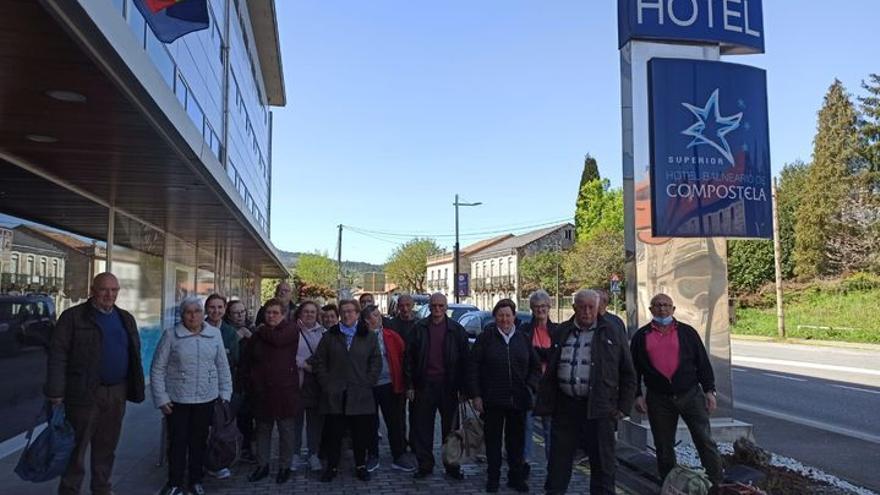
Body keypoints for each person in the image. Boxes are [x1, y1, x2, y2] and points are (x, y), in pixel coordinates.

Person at [45, 272, 146, 495]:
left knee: (107, 447)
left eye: (114, 290)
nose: (109, 295)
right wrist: (55, 392)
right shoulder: (73, 317)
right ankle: (70, 490)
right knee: (76, 450)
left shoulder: (125, 318)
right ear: (93, 290)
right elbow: (58, 355)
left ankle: (102, 488)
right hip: (83, 394)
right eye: (104, 289)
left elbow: (133, 354)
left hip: (116, 393)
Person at [535, 289, 636, 495]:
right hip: (566, 407)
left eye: (592, 307)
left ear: (598, 308)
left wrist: (623, 408)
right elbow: (552, 366)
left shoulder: (611, 331)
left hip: (599, 409)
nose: (587, 312)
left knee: (602, 465)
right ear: (574, 308)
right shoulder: (562, 331)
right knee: (558, 463)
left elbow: (628, 372)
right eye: (582, 307)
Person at [630, 294, 723, 489]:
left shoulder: (688, 333)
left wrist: (710, 390)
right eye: (657, 305)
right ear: (650, 309)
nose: (662, 309)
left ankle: (716, 485)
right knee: (664, 446)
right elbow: (634, 369)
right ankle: (669, 486)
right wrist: (637, 394)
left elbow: (702, 363)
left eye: (666, 305)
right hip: (658, 398)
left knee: (705, 441)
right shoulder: (641, 336)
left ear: (673, 309)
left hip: (690, 394)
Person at [151, 297, 233, 495]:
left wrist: (225, 393)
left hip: (206, 399)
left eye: (197, 311)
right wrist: (161, 398)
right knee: (177, 443)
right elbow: (157, 368)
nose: (193, 315)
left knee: (199, 442)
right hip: (178, 400)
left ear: (202, 313)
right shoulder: (171, 335)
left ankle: (196, 481)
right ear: (182, 315)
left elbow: (222, 365)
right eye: (188, 312)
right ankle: (174, 483)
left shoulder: (214, 334)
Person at [469, 299, 540, 493]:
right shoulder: (486, 338)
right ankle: (493, 478)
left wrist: (530, 387)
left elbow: (535, 367)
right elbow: (473, 367)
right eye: (501, 315)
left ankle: (515, 478)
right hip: (493, 400)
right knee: (493, 443)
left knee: (516, 443)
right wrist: (476, 395)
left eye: (508, 315)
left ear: (514, 317)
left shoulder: (523, 338)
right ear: (495, 318)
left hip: (518, 400)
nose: (505, 319)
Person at [312, 299, 381, 482]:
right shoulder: (330, 336)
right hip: (336, 393)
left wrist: (367, 382)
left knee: (360, 434)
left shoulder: (369, 335)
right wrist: (326, 383)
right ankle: (332, 467)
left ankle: (360, 465)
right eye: (344, 311)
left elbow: (375, 362)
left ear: (358, 314)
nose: (347, 314)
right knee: (334, 434)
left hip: (360, 393)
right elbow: (319, 361)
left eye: (351, 311)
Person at [405, 293, 470, 480]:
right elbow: (408, 359)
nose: (437, 309)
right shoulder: (419, 328)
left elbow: (465, 361)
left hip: (449, 386)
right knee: (422, 428)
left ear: (446, 307)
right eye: (434, 306)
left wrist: (464, 389)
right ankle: (425, 465)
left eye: (441, 306)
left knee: (451, 430)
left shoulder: (457, 330)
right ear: (429, 307)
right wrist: (409, 385)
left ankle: (452, 466)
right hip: (424, 385)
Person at [241, 298, 302, 484]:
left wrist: (260, 329)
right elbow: (248, 357)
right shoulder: (258, 334)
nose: (271, 316)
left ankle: (285, 467)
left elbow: (278, 340)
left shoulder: (290, 329)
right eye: (268, 312)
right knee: (262, 431)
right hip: (261, 391)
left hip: (285, 391)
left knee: (286, 432)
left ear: (283, 314)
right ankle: (262, 465)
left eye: (275, 312)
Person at [362, 304, 417, 473]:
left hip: (390, 384)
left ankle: (398, 455)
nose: (379, 318)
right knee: (369, 423)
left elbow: (404, 359)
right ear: (366, 320)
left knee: (395, 422)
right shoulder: (360, 338)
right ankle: (372, 455)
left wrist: (408, 384)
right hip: (368, 387)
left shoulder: (391, 335)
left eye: (379, 315)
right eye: (376, 316)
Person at [517, 289, 557, 472]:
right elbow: (525, 356)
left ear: (549, 307)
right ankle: (524, 463)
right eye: (536, 307)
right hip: (530, 385)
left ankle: (552, 465)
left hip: (550, 386)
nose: (540, 310)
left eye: (543, 306)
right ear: (531, 309)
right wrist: (543, 355)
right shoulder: (524, 330)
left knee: (550, 428)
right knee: (526, 426)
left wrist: (539, 354)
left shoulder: (557, 330)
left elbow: (556, 356)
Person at [203, 294, 239, 479]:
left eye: (219, 307)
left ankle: (216, 463)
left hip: (222, 386)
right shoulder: (197, 328)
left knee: (220, 427)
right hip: (200, 385)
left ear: (224, 309)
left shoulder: (230, 332)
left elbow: (234, 359)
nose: (216, 311)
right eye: (212, 307)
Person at [290, 301, 325, 473]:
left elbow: (325, 358)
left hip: (315, 382)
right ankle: (294, 454)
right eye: (306, 311)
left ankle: (313, 454)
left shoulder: (323, 333)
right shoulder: (291, 331)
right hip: (295, 381)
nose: (309, 315)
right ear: (299, 313)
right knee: (295, 421)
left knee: (314, 421)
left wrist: (307, 366)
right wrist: (299, 364)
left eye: (313, 312)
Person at [225, 300, 256, 463]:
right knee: (227, 418)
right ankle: (225, 452)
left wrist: (252, 338)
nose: (240, 315)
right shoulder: (225, 331)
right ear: (229, 315)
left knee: (246, 417)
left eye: (242, 312)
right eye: (236, 313)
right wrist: (236, 338)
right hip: (230, 381)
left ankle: (246, 448)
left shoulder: (252, 329)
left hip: (248, 381)